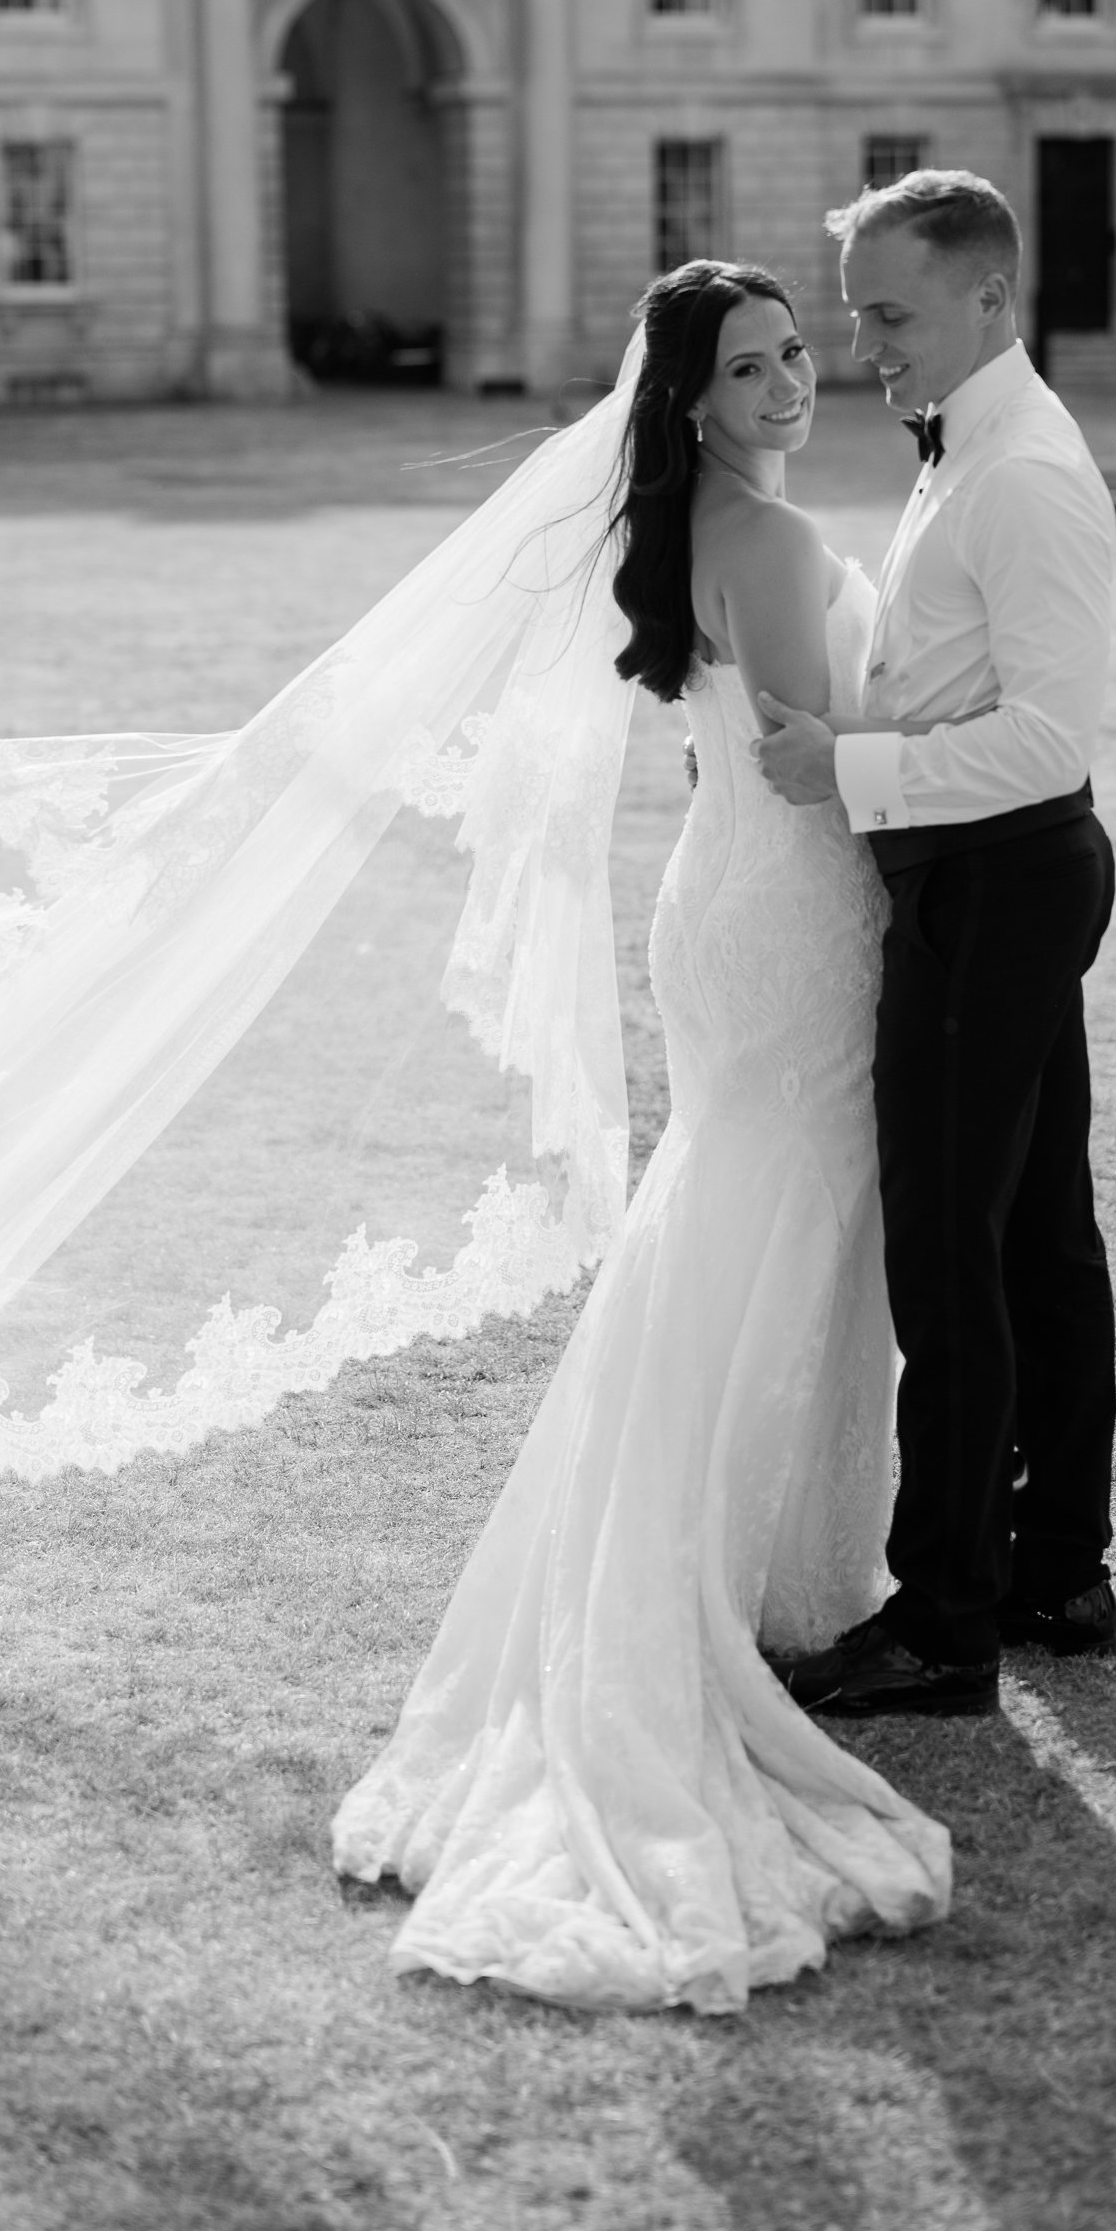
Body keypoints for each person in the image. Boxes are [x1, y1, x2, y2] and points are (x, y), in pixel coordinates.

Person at [331, 259, 951, 2009]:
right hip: (792, 910)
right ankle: (736, 1562)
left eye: (792, 359)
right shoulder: (756, 541)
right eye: (748, 369)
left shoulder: (704, 532)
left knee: (749, 1208)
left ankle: (757, 1551)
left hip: (730, 896)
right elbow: (830, 739)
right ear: (683, 398)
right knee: (788, 1209)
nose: (787, 388)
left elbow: (732, 748)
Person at [754, 171, 1116, 1720]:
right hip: (986, 877)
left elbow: (1046, 739)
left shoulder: (1023, 474)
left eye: (890, 316)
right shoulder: (960, 447)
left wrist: (846, 771)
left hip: (998, 879)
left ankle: (950, 1619)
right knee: (1035, 1236)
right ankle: (1058, 1573)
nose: (865, 350)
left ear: (987, 297)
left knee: (949, 1249)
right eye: (856, 318)